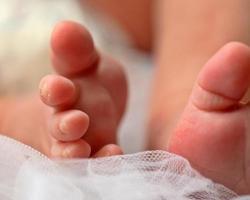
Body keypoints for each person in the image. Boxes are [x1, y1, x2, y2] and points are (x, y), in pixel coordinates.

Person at [0, 0, 250, 194]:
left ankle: (179, 120)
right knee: (39, 113)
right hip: (18, 94)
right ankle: (41, 124)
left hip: (103, 27)